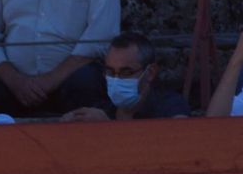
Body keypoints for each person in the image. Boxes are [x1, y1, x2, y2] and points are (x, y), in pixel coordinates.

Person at [0, 0, 118, 119]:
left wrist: (50, 80)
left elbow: (101, 37)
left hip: (70, 81)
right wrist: (15, 80)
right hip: (12, 85)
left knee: (85, 81)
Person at [61, 32, 190, 121]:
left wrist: (107, 128)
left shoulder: (170, 106)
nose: (116, 80)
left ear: (150, 73)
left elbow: (179, 143)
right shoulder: (101, 110)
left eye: (126, 72)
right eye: (110, 72)